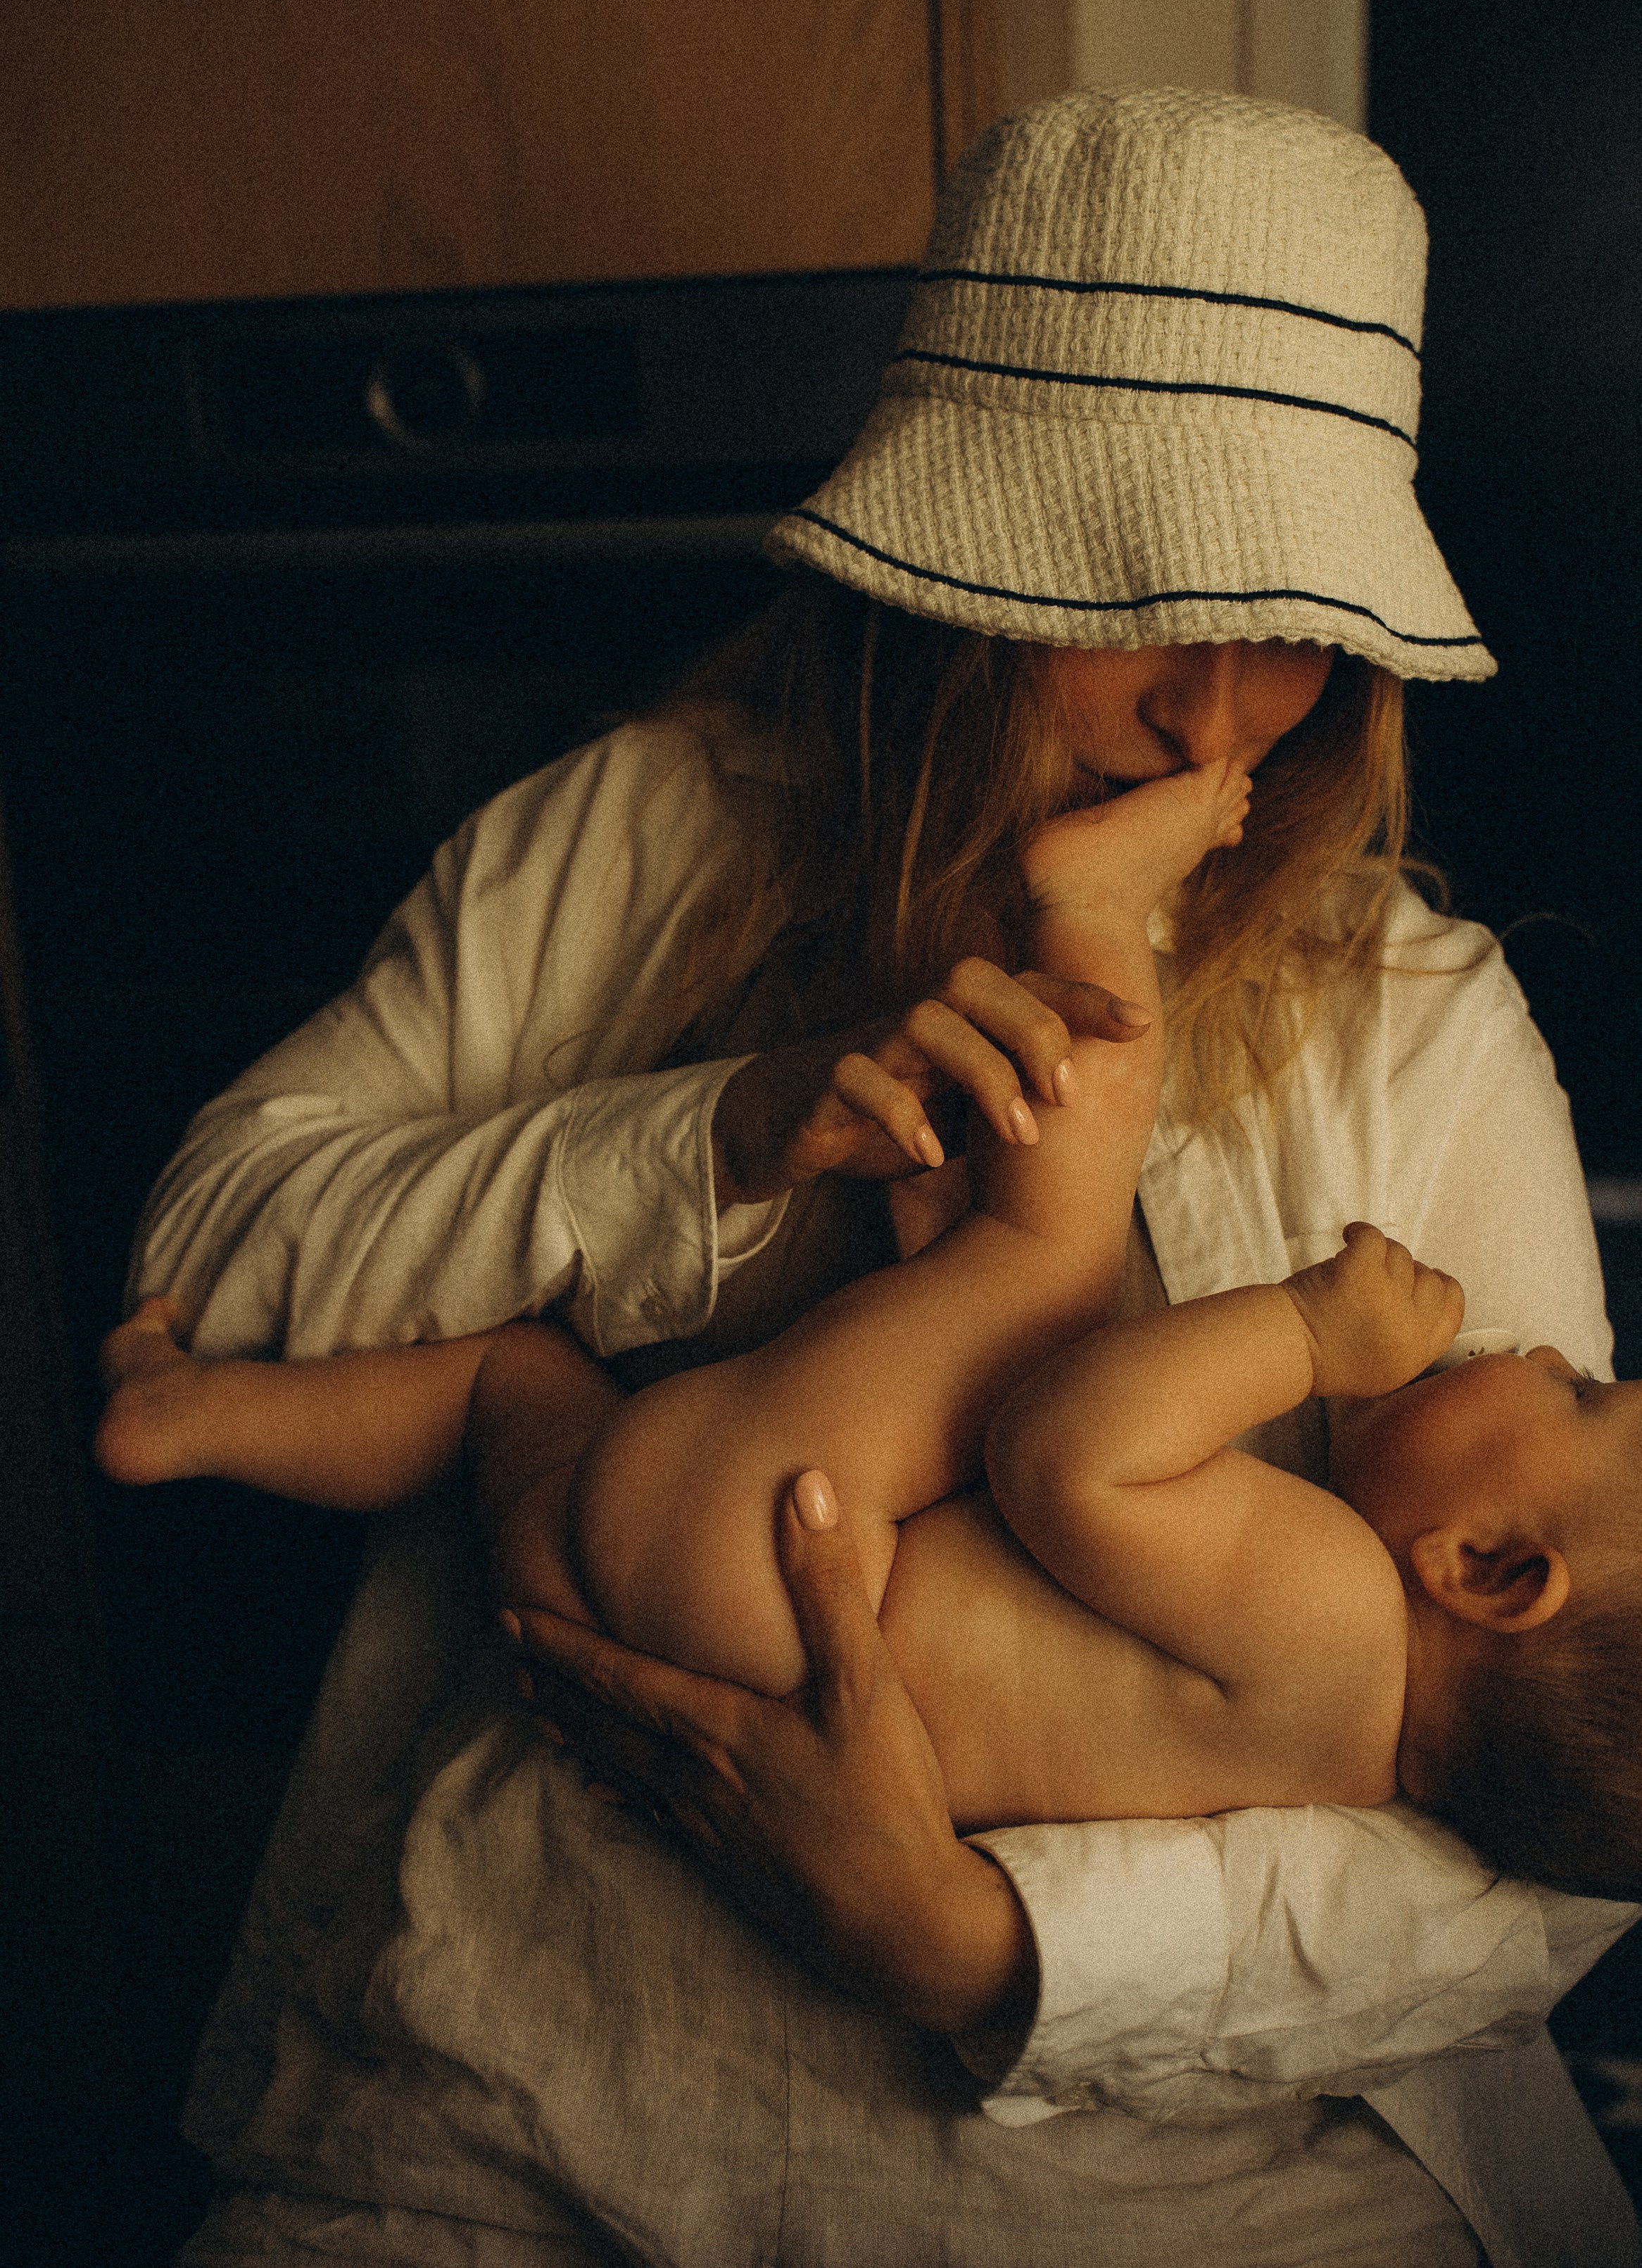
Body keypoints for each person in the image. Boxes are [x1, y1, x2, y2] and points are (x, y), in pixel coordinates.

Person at [130, 91, 1639, 2267]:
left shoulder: (1409, 1015)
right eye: (1139, 594)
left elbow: (1548, 1841)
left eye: (1297, 616)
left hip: (1183, 2187)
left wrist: (967, 1940)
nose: (1216, 710)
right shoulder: (632, 837)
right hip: (501, 2088)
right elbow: (206, 1257)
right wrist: (713, 1134)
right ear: (961, 554)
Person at [98, 758, 1642, 1903]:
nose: (1541, 1356)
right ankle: (187, 1416)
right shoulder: (1336, 1766)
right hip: (679, 1630)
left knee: (1052, 1257)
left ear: (1488, 1570)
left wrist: (1306, 1332)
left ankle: (1089, 905)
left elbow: (1068, 1451)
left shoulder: (1338, 1620)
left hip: (774, 1556)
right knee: (511, 1379)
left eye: (1579, 1396)